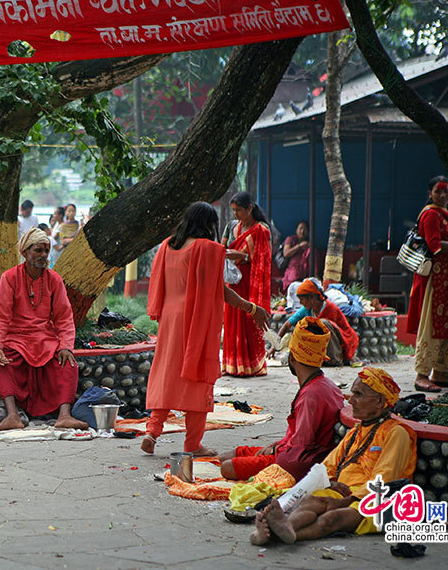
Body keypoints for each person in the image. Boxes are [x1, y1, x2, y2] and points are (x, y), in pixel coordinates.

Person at [141, 202, 271, 457]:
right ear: (209, 224)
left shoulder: (168, 246)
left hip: (170, 319)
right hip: (194, 320)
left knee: (167, 374)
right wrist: (252, 309)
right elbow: (220, 291)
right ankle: (192, 444)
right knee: (198, 377)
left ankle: (151, 431)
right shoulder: (207, 249)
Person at [251, 368, 416, 545]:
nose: (351, 400)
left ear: (380, 401)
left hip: (376, 501)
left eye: (358, 394)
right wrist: (331, 483)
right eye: (352, 393)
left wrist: (346, 501)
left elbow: (384, 479)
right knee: (310, 502)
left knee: (333, 518)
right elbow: (328, 466)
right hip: (343, 491)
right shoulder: (356, 431)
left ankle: (276, 536)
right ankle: (285, 528)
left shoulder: (397, 433)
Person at [0, 227, 89, 431]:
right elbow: (0, 316)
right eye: (38, 250)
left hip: (46, 339)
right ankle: (12, 416)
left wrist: (65, 346)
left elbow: (64, 318)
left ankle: (64, 415)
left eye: (46, 250)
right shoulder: (9, 278)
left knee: (67, 364)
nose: (43, 255)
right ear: (25, 252)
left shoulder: (54, 279)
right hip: (16, 339)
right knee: (4, 363)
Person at [219, 317, 343, 480]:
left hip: (299, 462)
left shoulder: (311, 394)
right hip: (293, 451)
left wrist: (277, 450)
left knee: (226, 467)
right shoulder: (324, 385)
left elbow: (302, 445)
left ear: (292, 358)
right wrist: (278, 444)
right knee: (232, 454)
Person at [407, 176, 448, 392]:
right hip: (436, 281)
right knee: (431, 327)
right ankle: (422, 374)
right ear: (430, 194)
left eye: (446, 191)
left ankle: (442, 373)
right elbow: (434, 246)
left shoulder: (445, 217)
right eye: (438, 191)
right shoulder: (431, 215)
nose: (442, 195)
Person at [223, 191, 272, 377]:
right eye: (233, 210)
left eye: (239, 211)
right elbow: (222, 247)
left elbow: (264, 258)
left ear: (249, 208)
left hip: (251, 281)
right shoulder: (231, 227)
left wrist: (242, 256)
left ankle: (252, 365)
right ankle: (232, 364)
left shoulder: (261, 229)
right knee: (232, 321)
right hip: (233, 280)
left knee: (249, 320)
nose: (236, 214)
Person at [276, 278, 359, 366]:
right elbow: (287, 325)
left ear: (311, 298)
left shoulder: (331, 308)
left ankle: (335, 359)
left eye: (302, 299)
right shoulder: (306, 310)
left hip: (341, 343)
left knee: (323, 323)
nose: (300, 302)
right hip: (321, 346)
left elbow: (344, 333)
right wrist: (275, 346)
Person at [282, 221, 312, 290]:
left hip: (304, 272)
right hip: (293, 271)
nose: (302, 231)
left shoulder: (308, 244)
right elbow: (286, 254)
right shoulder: (290, 239)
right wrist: (299, 246)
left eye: (305, 229)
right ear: (296, 230)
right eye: (300, 228)